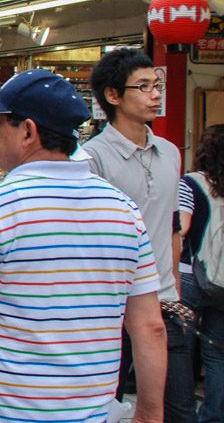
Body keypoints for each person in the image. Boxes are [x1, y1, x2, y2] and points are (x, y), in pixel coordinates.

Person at [0, 69, 167, 423]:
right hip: (92, 415)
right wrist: (150, 414)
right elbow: (150, 326)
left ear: (28, 131)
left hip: (3, 414)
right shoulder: (124, 210)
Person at [85, 48, 194, 421]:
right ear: (113, 96)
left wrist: (175, 286)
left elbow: (171, 225)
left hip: (162, 303)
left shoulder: (170, 152)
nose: (156, 95)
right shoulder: (90, 159)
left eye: (157, 85)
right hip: (109, 309)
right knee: (105, 405)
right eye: (143, 86)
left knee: (177, 408)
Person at [178, 125, 224, 423]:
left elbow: (181, 228)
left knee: (181, 349)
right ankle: (214, 416)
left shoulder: (190, 183)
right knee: (217, 353)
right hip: (222, 283)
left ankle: (182, 414)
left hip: (191, 275)